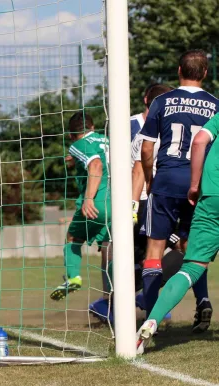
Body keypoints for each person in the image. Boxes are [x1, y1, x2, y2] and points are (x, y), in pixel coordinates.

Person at [140, 50, 218, 333]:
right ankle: (203, 301)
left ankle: (151, 318)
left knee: (155, 249)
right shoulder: (215, 104)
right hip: (202, 185)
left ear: (178, 70)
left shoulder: (162, 100)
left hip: (167, 181)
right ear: (206, 73)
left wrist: (150, 179)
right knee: (194, 249)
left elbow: (147, 148)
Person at [89, 84, 174, 323]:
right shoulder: (127, 126)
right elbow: (120, 165)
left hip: (159, 199)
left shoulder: (170, 125)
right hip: (132, 199)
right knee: (113, 247)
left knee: (162, 252)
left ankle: (145, 296)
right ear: (146, 100)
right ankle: (111, 302)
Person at [51, 112, 112, 301]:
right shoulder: (107, 140)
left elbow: (95, 164)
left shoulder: (76, 144)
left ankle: (73, 277)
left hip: (99, 204)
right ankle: (112, 300)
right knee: (109, 249)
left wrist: (88, 198)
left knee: (73, 237)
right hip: (122, 203)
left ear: (71, 135)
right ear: (92, 128)